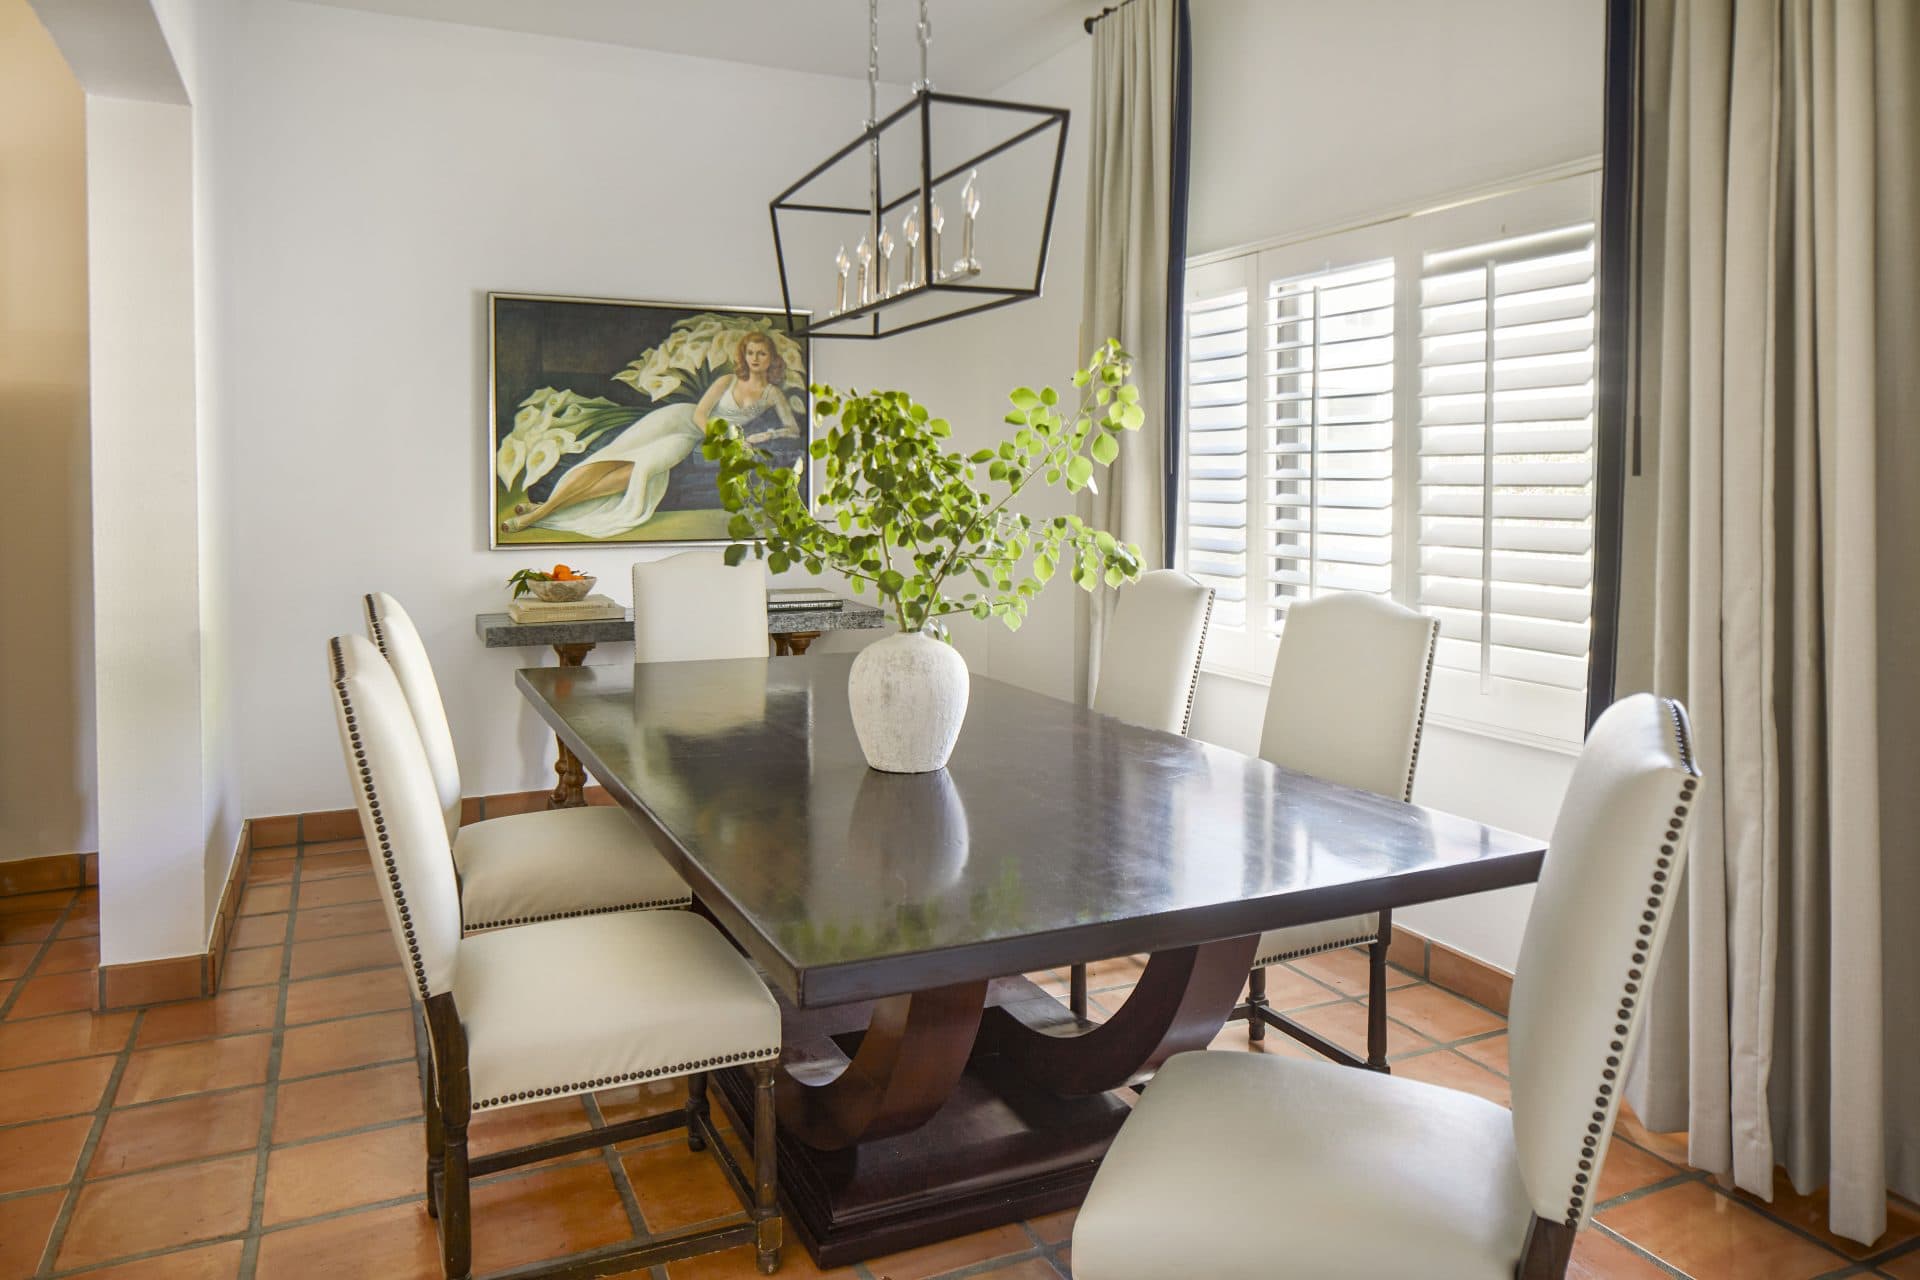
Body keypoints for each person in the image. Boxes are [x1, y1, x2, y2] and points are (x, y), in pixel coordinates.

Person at [500, 331, 801, 539]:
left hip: (687, 439)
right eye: (750, 352)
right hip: (679, 420)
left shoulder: (772, 393)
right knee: (611, 459)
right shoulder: (727, 379)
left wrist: (758, 438)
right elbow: (699, 413)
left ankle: (540, 512)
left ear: (771, 357)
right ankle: (536, 515)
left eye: (761, 353)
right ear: (744, 356)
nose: (755, 358)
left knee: (639, 469)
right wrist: (724, 439)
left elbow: (792, 429)